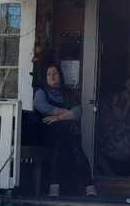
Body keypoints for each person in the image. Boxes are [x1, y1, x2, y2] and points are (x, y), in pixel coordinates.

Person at [34, 64, 96, 198]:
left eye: (55, 73)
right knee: (69, 142)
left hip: (65, 133)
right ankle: (89, 186)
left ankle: (54, 187)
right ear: (45, 77)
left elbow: (78, 112)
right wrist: (67, 113)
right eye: (49, 74)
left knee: (68, 144)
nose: (52, 77)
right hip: (46, 132)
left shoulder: (68, 93)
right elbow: (43, 107)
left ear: (60, 76)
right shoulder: (41, 92)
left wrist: (57, 118)